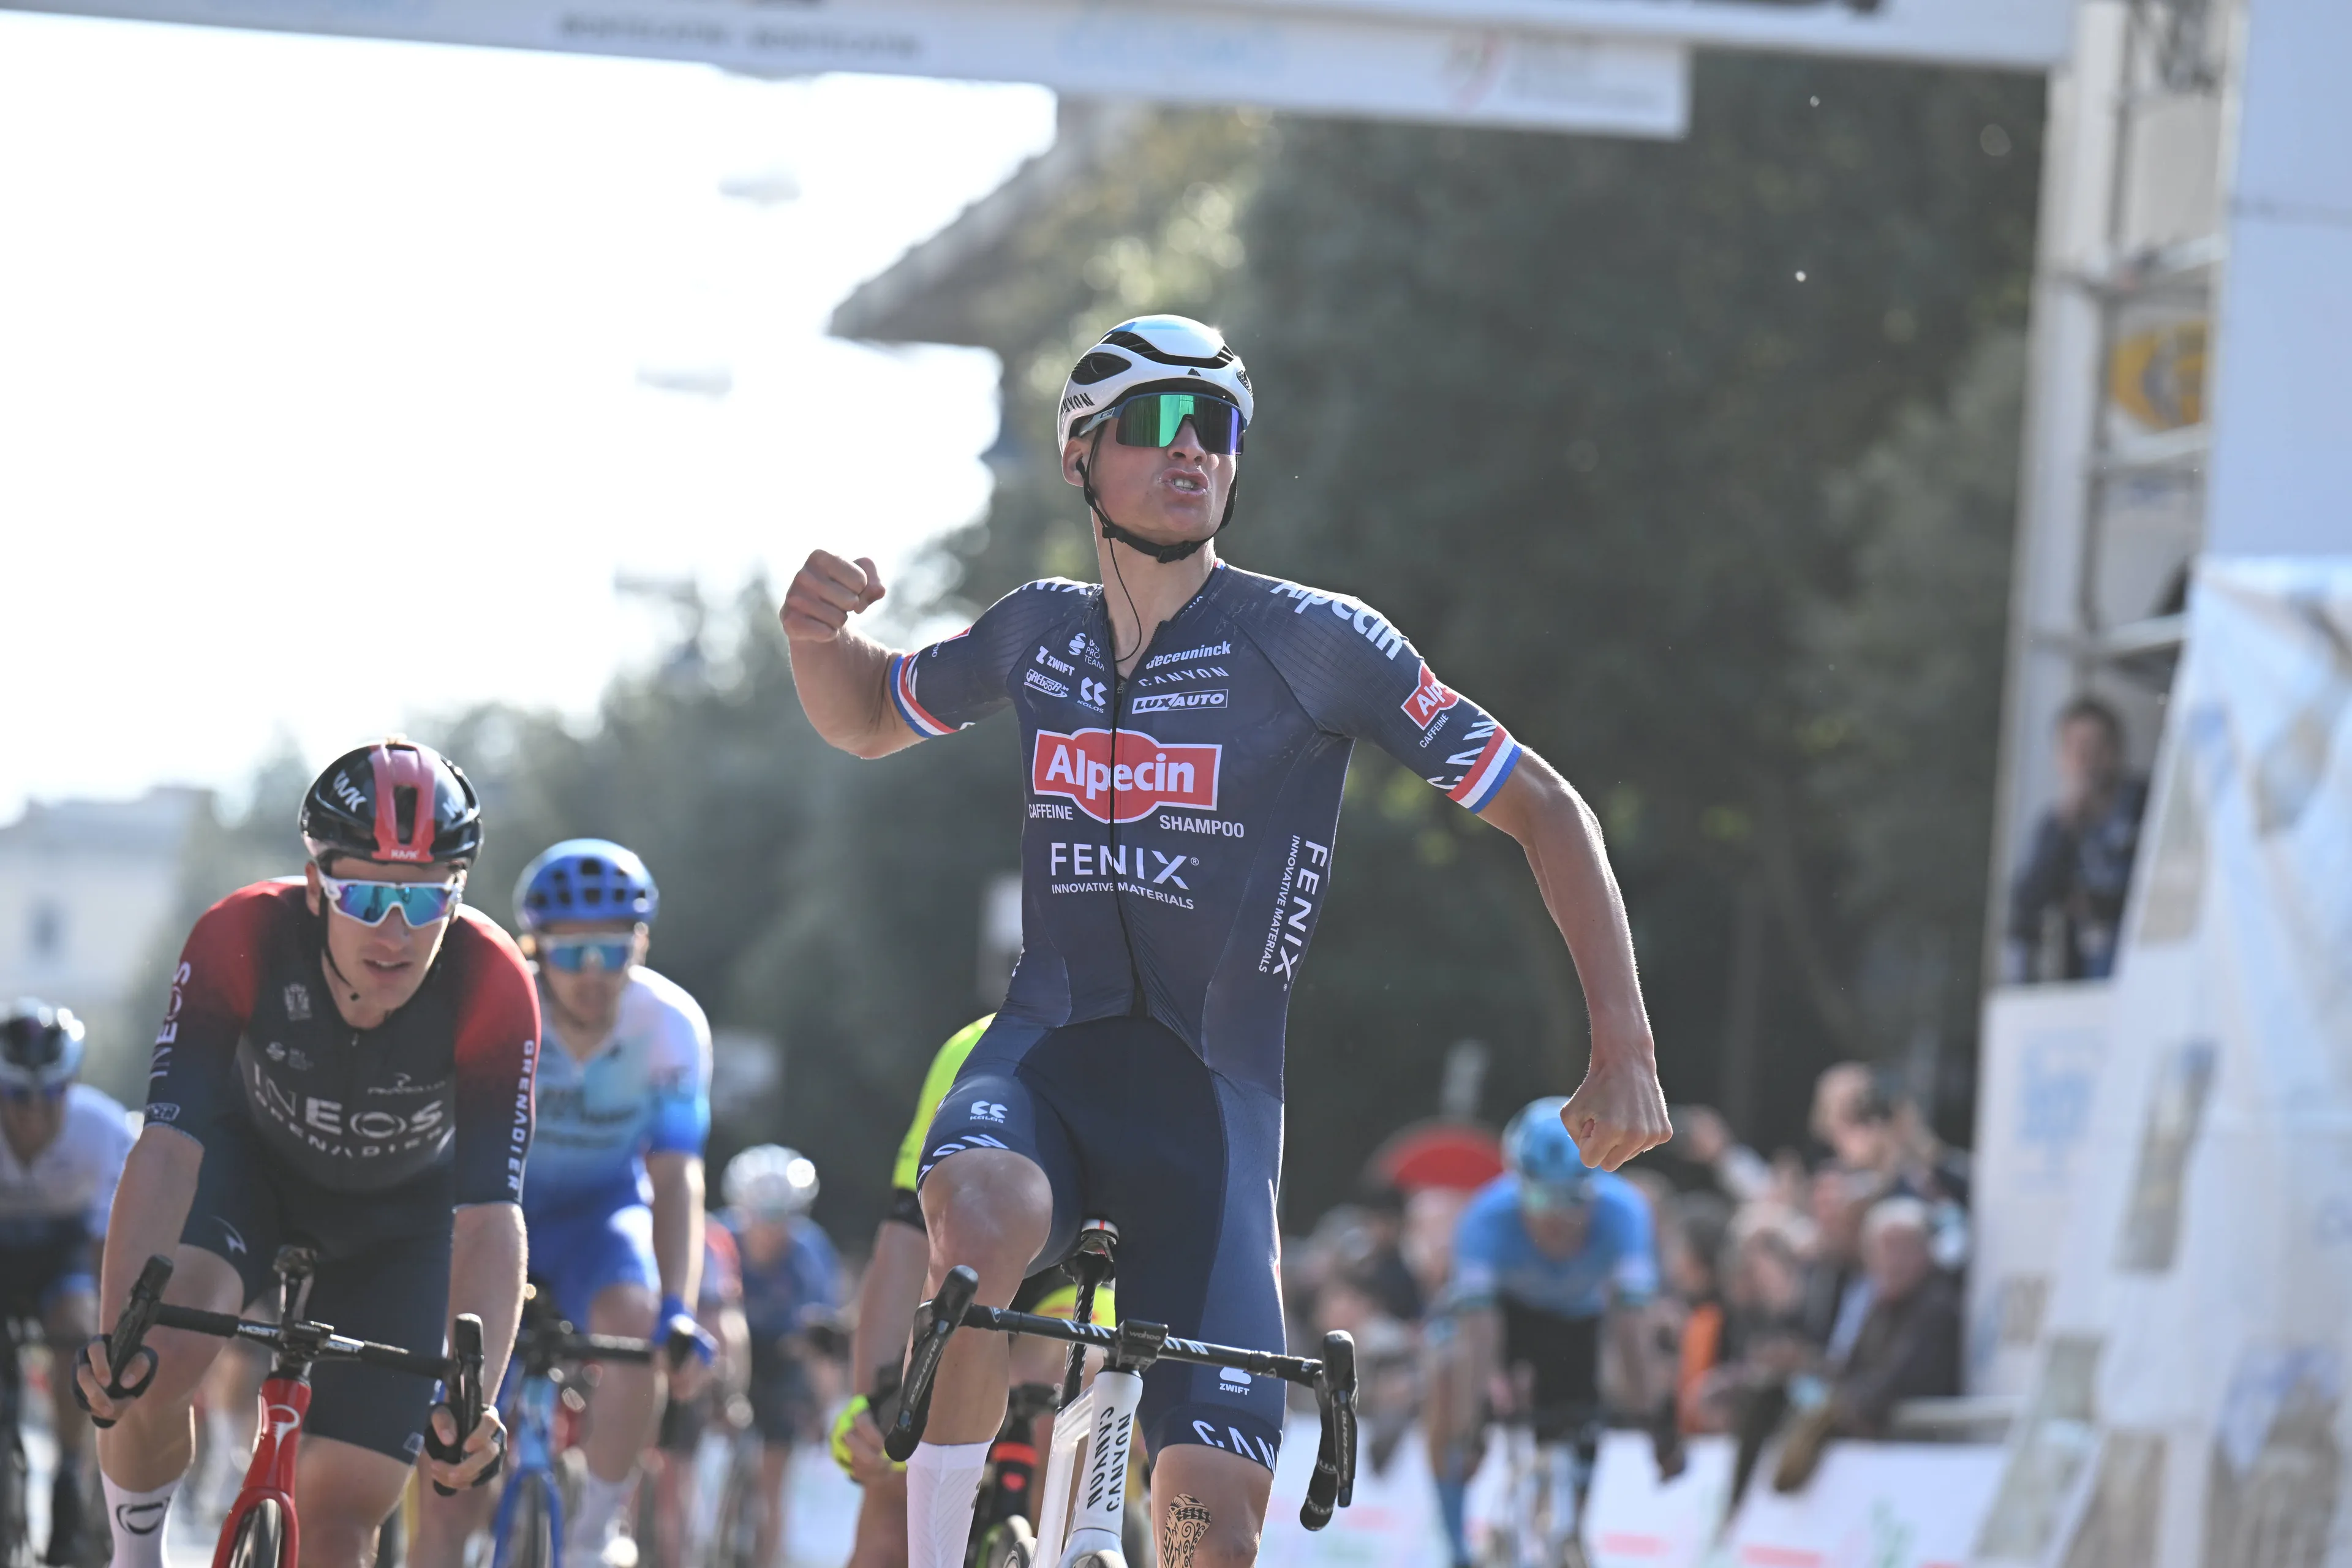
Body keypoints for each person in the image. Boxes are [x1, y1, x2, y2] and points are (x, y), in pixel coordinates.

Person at [781, 313, 1669, 1568]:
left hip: (1213, 1109)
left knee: (1206, 1533)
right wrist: (817, 639)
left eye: (1217, 423)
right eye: (1150, 421)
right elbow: (869, 712)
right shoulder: (1038, 631)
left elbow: (1545, 805)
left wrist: (1621, 1042)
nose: (1189, 445)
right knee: (979, 1217)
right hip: (1045, 1057)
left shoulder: (1313, 639)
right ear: (1080, 457)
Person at [75, 739, 531, 1568]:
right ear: (316, 881)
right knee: (149, 1371)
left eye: (426, 901)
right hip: (252, 1180)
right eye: (362, 893)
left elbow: (491, 1217)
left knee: (338, 1520)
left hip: (402, 1229)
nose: (394, 932)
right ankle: (133, 1556)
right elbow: (170, 1149)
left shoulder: (493, 981)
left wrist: (476, 1404)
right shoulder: (239, 933)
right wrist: (115, 1340)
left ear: (459, 897)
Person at [415, 838, 715, 1568]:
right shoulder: (498, 1004)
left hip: (597, 1218)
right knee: (450, 1486)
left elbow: (677, 1180)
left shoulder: (671, 1026)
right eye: (568, 951)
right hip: (491, 1208)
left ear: (640, 944)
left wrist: (680, 1304)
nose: (589, 974)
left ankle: (591, 1535)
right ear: (534, 947)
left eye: (610, 952)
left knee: (638, 1329)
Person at [827, 1016, 1119, 1568]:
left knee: (1049, 1412)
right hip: (963, 1269)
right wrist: (875, 1401)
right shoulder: (969, 1048)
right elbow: (906, 1235)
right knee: (888, 1523)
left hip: (1076, 1282)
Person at [1423, 1099, 1678, 1568]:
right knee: (1448, 1371)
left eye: (1573, 1201)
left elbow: (1633, 1330)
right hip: (1508, 1317)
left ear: (1595, 1188)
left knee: (1601, 1390)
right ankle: (1456, 1548)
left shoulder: (1624, 1214)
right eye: (1542, 1200)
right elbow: (1479, 1337)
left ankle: (1572, 1529)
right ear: (1517, 1187)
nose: (1557, 1220)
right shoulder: (1484, 1220)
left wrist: (1658, 1423)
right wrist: (1471, 1425)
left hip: (1582, 1321)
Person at [1, 999, 134, 1565]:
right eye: (15, 1097)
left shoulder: (103, 1131)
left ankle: (70, 1472)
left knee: (79, 1329)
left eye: (49, 1094)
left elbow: (112, 1255)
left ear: (71, 1085)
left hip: (67, 1249)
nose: (33, 1112)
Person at [721, 1145, 841, 1568]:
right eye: (760, 1216)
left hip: (783, 1359)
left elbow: (821, 1342)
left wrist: (820, 1407)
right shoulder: (720, 1238)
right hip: (730, 1354)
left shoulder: (809, 1253)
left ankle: (766, 1557)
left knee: (774, 1482)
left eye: (782, 1218)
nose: (770, 1230)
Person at [2006, 696, 2147, 982]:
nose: (2086, 760)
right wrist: (2064, 827)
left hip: (2142, 972)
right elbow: (2026, 905)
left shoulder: (2144, 806)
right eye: (2075, 748)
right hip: (2082, 981)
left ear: (2116, 751)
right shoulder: (2055, 826)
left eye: (2095, 747)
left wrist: (2101, 903)